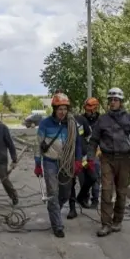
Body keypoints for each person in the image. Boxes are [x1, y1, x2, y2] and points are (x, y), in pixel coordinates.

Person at [87, 87, 130, 237]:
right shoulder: (102, 120)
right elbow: (93, 141)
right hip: (107, 158)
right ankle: (105, 224)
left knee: (121, 192)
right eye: (111, 100)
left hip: (125, 160)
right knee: (106, 191)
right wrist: (90, 158)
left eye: (116, 100)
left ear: (121, 102)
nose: (113, 102)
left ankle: (117, 221)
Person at [34, 92, 83, 238]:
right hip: (50, 162)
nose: (62, 112)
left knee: (65, 193)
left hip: (66, 162)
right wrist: (37, 163)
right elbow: (38, 145)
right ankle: (57, 225)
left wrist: (78, 160)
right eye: (60, 109)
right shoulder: (45, 123)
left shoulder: (72, 124)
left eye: (65, 109)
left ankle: (54, 209)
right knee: (53, 193)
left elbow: (78, 143)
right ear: (54, 109)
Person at [75, 97, 102, 210]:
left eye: (90, 110)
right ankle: (84, 198)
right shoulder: (81, 120)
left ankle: (95, 199)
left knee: (95, 177)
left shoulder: (101, 120)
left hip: (96, 152)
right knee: (83, 177)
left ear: (95, 109)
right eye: (86, 109)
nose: (88, 112)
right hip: (84, 152)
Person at [67, 101, 92, 219]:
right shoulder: (61, 123)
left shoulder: (81, 120)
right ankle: (72, 209)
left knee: (91, 177)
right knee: (71, 182)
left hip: (83, 155)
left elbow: (88, 134)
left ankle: (82, 197)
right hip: (69, 157)